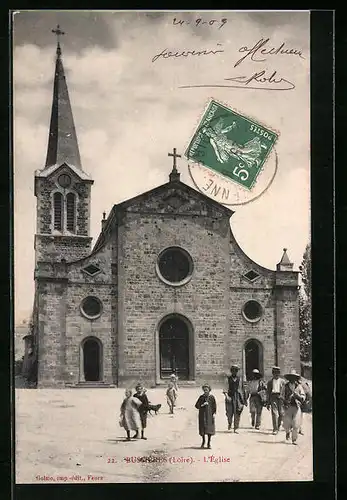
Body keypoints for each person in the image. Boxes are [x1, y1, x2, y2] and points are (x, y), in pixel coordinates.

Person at [283, 369, 306, 445]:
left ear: (296, 378)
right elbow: (281, 396)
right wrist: (285, 401)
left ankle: (294, 439)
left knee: (296, 424)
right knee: (287, 423)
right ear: (289, 378)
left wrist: (298, 396)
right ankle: (287, 432)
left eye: (294, 377)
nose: (292, 379)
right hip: (288, 407)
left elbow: (303, 396)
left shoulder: (299, 387)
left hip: (296, 407)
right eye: (291, 377)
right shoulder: (285, 386)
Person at [223, 365, 247, 433]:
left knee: (237, 412)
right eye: (233, 370)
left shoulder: (240, 379)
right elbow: (225, 388)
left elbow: (243, 389)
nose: (234, 372)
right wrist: (227, 396)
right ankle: (230, 423)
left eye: (236, 370)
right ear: (231, 371)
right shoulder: (227, 379)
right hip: (230, 397)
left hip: (238, 398)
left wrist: (244, 399)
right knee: (229, 413)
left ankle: (236, 427)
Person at [195, 383, 217, 449]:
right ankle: (203, 441)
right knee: (203, 429)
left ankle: (209, 443)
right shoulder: (201, 397)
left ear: (209, 390)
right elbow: (196, 405)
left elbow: (214, 406)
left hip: (209, 415)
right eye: (204, 390)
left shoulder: (212, 397)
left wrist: (214, 414)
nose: (205, 391)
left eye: (207, 389)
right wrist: (202, 405)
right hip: (202, 415)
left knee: (209, 429)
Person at [266, 366, 286, 435]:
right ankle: (275, 429)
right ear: (272, 373)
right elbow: (268, 392)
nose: (276, 374)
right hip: (273, 397)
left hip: (280, 398)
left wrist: (285, 400)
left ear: (279, 373)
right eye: (274, 372)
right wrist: (268, 402)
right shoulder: (270, 382)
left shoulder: (283, 382)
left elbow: (284, 392)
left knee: (281, 413)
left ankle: (278, 426)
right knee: (274, 413)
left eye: (277, 372)